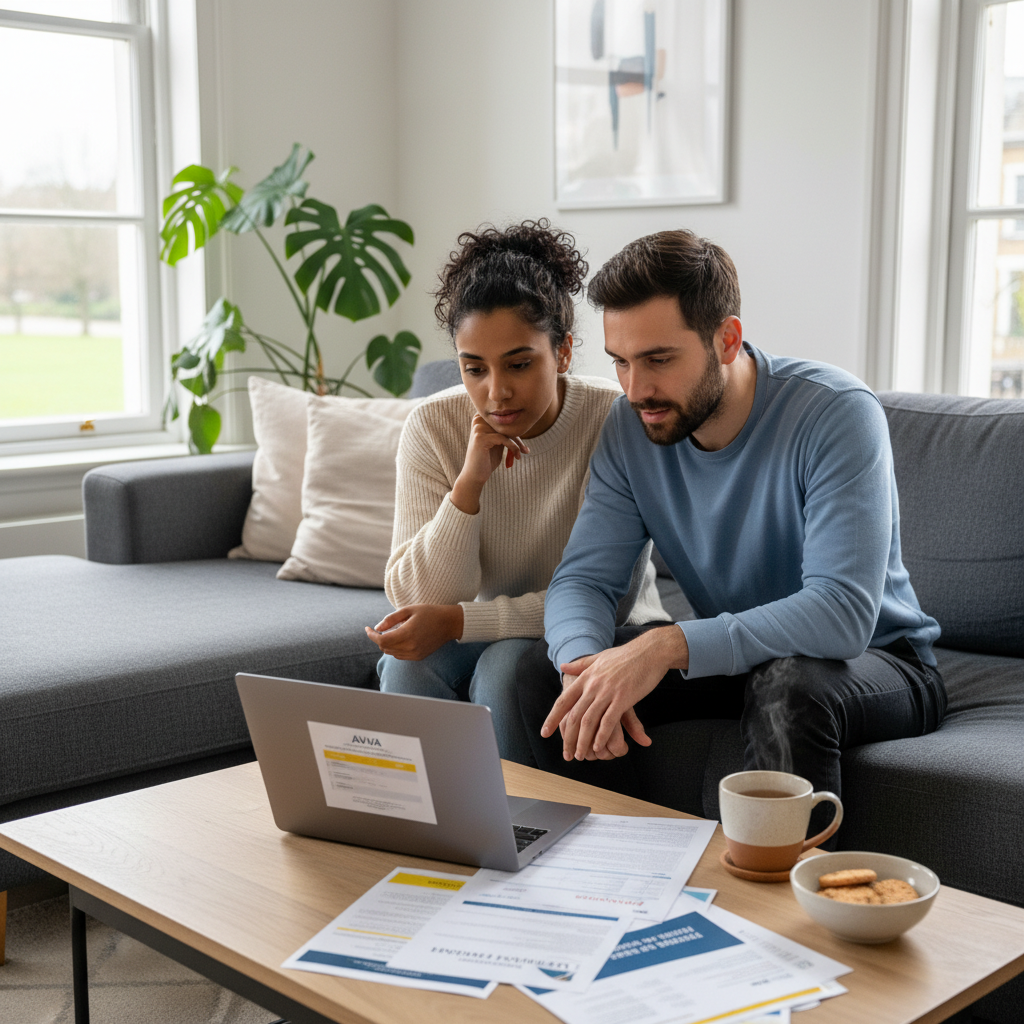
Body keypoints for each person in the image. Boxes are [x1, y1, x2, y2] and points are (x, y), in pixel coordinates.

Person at [516, 229, 946, 828]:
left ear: (727, 339)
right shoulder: (629, 427)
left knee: (788, 687)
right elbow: (583, 580)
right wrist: (585, 668)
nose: (637, 389)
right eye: (621, 362)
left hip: (880, 661)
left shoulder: (836, 413)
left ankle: (783, 918)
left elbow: (842, 614)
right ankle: (617, 882)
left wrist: (668, 644)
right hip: (744, 656)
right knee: (537, 676)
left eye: (659, 359)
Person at [366, 220, 666, 765]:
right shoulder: (434, 425)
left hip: (603, 628)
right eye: (473, 369)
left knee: (505, 668)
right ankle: (430, 831)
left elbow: (609, 597)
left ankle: (521, 837)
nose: (495, 392)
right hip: (488, 625)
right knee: (408, 665)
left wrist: (462, 622)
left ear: (564, 352)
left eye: (520, 364)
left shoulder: (612, 420)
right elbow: (417, 599)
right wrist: (469, 485)